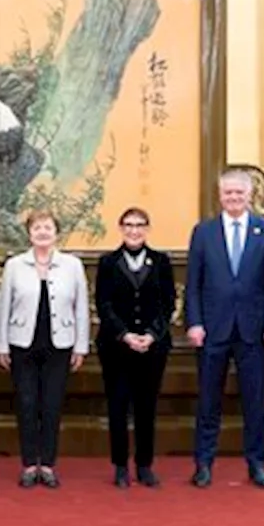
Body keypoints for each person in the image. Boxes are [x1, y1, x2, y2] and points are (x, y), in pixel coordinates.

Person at [186, 168, 264, 489]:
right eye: (228, 193)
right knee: (208, 401)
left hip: (254, 332)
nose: (233, 198)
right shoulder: (203, 232)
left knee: (255, 402)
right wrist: (195, 322)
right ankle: (203, 463)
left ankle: (257, 464)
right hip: (212, 330)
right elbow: (193, 285)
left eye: (239, 193)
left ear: (249, 195)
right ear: (220, 195)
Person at [0, 209, 89, 488]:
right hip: (21, 343)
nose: (43, 232)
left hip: (60, 344)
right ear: (29, 233)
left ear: (56, 232)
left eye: (48, 227)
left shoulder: (72, 265)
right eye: (37, 228)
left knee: (51, 404)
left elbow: (81, 307)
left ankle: (47, 464)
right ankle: (28, 465)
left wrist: (80, 346)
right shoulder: (15, 265)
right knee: (26, 404)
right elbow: (3, 307)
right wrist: (1, 345)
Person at [95, 207, 175, 488]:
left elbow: (168, 304)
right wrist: (126, 335)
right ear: (120, 228)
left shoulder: (161, 261)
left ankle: (144, 465)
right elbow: (103, 305)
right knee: (117, 406)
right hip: (116, 347)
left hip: (153, 348)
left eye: (140, 225)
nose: (134, 230)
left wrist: (152, 335)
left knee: (146, 406)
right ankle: (120, 465)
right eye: (128, 225)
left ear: (147, 228)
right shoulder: (107, 262)